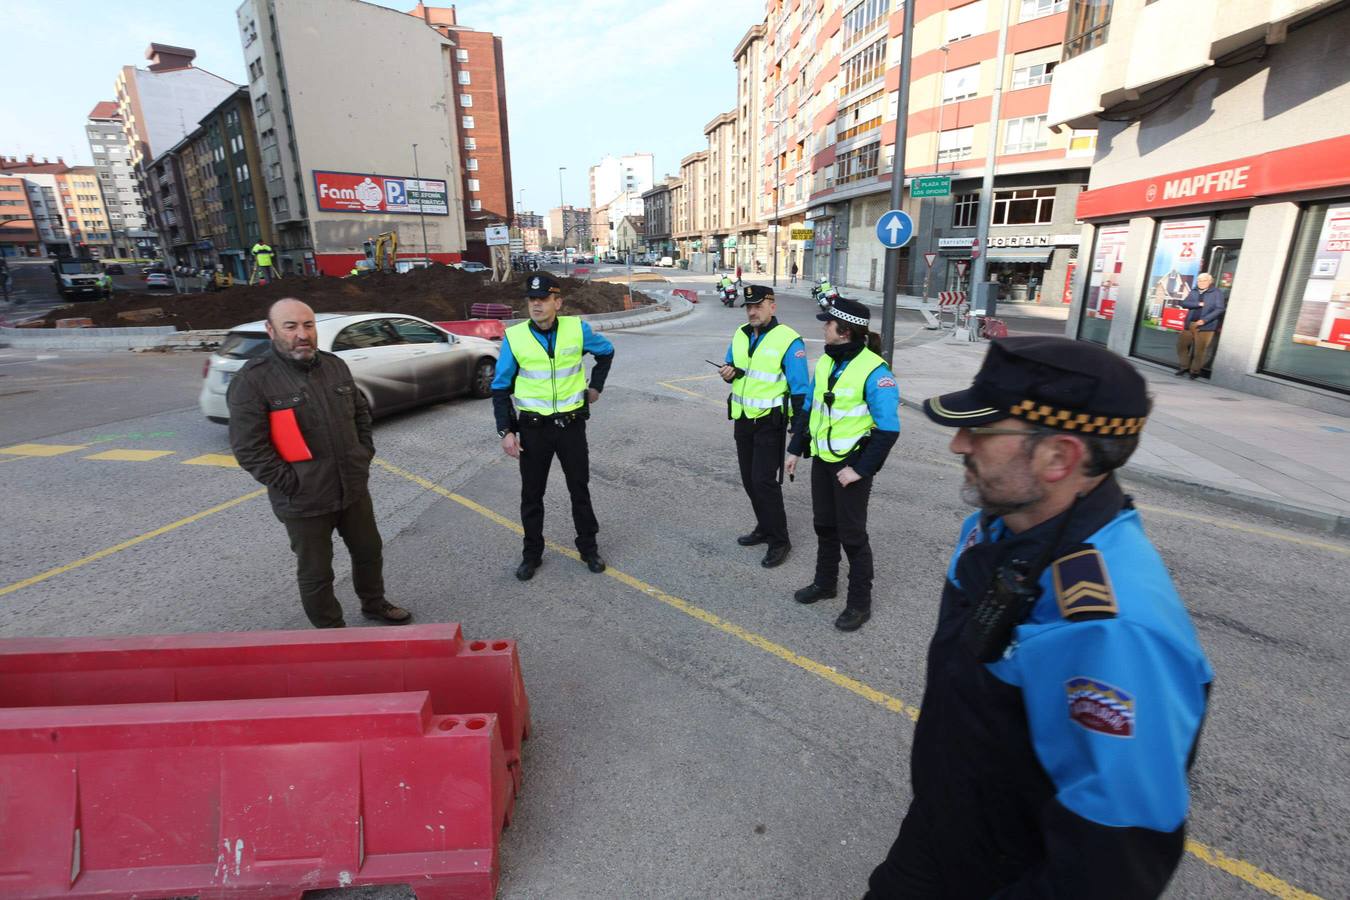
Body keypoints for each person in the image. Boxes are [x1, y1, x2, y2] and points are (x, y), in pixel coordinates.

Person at [866, 336, 1213, 898]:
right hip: (946, 825)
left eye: (980, 431)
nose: (959, 444)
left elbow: (1111, 865)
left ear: (1059, 457)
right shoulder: (998, 527)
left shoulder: (1112, 629)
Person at [227, 298, 411, 629]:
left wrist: (361, 454)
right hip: (304, 502)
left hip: (351, 488)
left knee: (369, 551)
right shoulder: (253, 380)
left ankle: (373, 604)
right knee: (317, 572)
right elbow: (249, 449)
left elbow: (359, 414)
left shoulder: (334, 366)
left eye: (308, 325)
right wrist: (293, 483)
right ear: (271, 331)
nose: (302, 334)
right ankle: (332, 633)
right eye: (291, 326)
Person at [785, 297, 899, 631]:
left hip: (851, 464)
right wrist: (794, 449)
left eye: (828, 324)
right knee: (824, 525)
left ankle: (860, 603)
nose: (823, 327)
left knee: (852, 535)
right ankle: (825, 582)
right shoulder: (826, 362)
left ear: (844, 332)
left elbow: (888, 429)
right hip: (822, 458)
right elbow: (810, 410)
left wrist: (861, 470)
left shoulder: (875, 372)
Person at [493, 272, 615, 581]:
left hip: (571, 427)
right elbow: (500, 387)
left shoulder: (577, 330)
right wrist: (506, 431)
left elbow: (606, 352)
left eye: (543, 299)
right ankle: (531, 554)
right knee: (532, 495)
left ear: (557, 302)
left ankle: (588, 548)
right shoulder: (515, 336)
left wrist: (596, 387)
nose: (536, 305)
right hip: (533, 430)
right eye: (532, 300)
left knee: (579, 490)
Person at [719, 284, 810, 568]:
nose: (752, 311)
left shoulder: (788, 340)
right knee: (749, 480)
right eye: (749, 307)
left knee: (764, 482)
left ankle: (780, 540)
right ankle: (764, 526)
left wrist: (798, 426)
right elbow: (731, 368)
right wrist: (727, 373)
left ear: (773, 306)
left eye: (758, 306)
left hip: (770, 422)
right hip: (744, 418)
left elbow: (799, 389)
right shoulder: (740, 334)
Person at [1176, 272, 1225, 379]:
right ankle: (1184, 366)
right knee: (1181, 346)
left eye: (1204, 280)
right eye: (1199, 280)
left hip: (1206, 326)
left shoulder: (1217, 293)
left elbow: (1220, 308)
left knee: (1200, 350)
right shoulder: (1194, 291)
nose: (1201, 282)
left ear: (1210, 281)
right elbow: (1184, 303)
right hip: (1190, 323)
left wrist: (1205, 320)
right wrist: (1198, 304)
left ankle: (1194, 371)